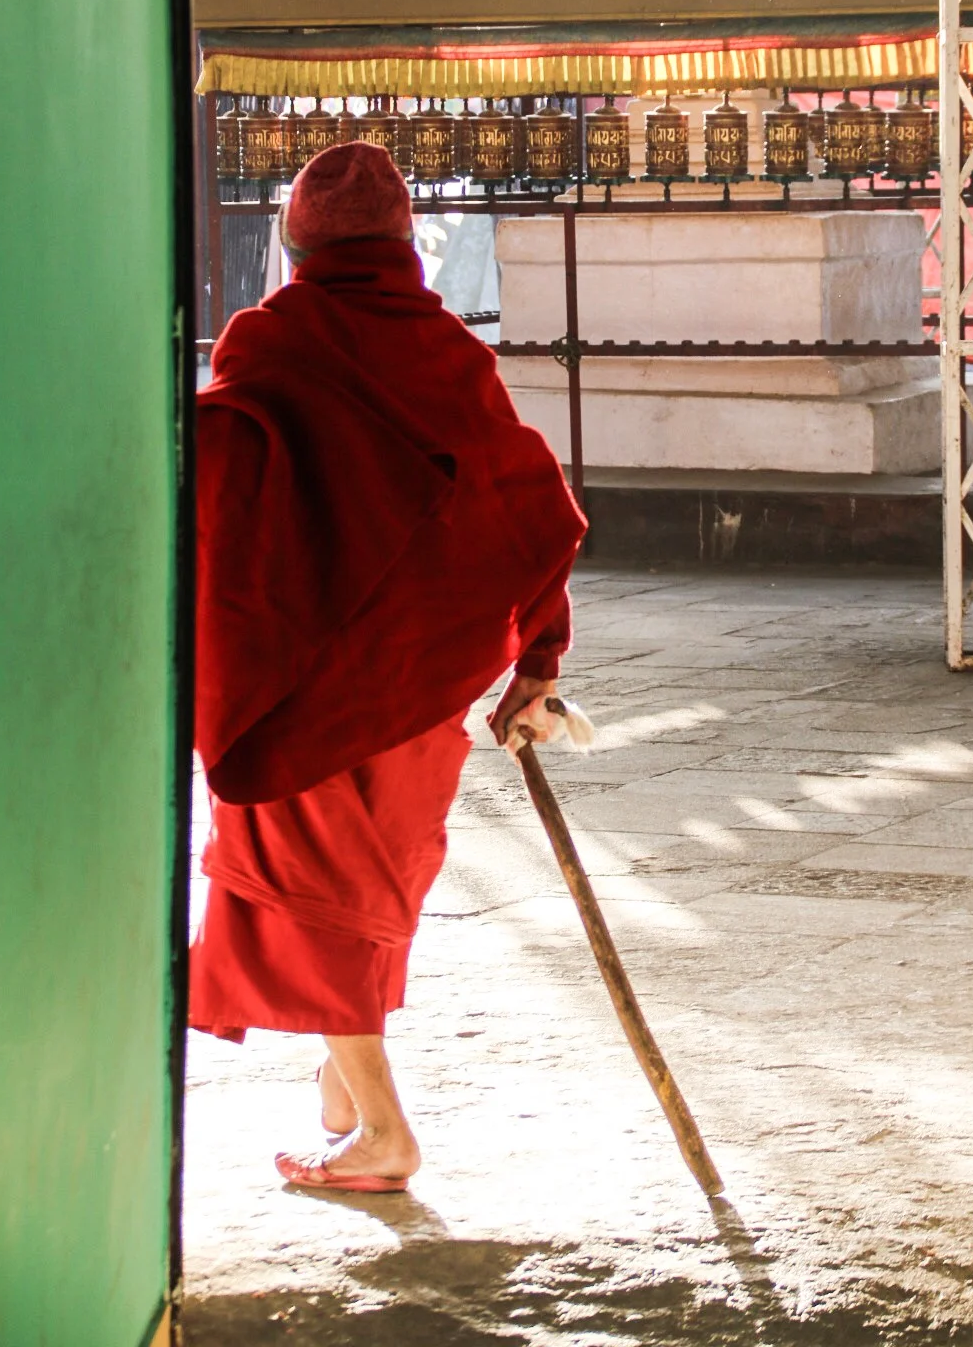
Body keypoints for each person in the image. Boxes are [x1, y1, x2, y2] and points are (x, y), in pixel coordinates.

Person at [190, 140, 585, 1192]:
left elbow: (226, 501)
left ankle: (383, 1133)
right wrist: (534, 662)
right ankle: (338, 1087)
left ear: (296, 244)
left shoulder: (268, 340)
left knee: (317, 899)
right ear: (405, 245)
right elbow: (528, 503)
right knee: (364, 888)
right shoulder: (445, 348)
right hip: (419, 685)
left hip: (307, 686)